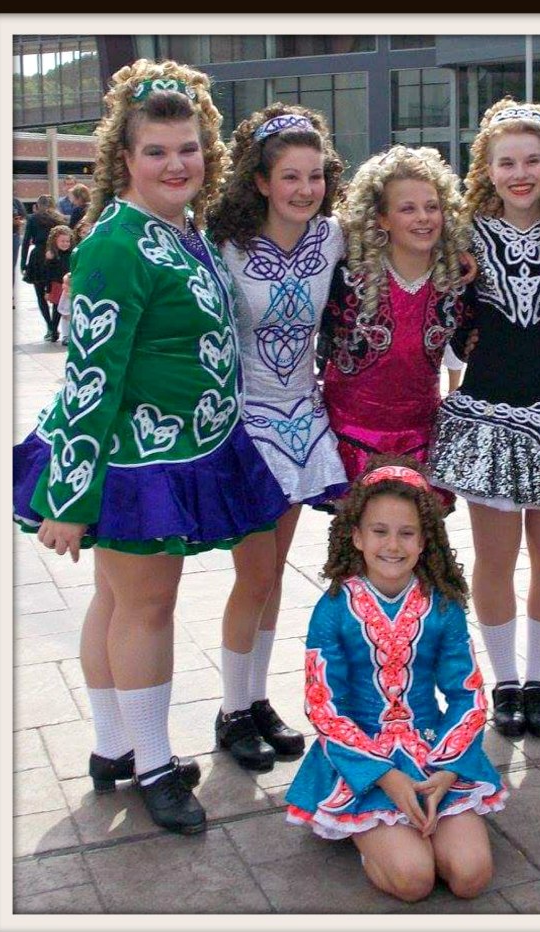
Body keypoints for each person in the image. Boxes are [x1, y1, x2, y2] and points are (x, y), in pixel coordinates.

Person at [12, 59, 291, 836]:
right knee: (146, 607)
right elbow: (89, 377)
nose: (178, 164)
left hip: (176, 450)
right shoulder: (115, 244)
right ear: (125, 160)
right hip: (132, 462)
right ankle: (155, 764)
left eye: (189, 149)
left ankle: (113, 750)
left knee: (119, 601)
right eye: (158, 152)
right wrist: (67, 499)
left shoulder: (178, 228)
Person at [284, 457, 505, 903]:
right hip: (361, 761)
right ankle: (366, 832)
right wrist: (385, 776)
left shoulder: (442, 607)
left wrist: (444, 772)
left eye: (407, 533)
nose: (393, 545)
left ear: (425, 541)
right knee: (414, 881)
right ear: (357, 536)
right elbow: (324, 706)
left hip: (434, 754)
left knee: (471, 877)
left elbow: (467, 694)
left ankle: (416, 830)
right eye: (380, 531)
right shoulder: (332, 608)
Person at [429, 98, 540, 740]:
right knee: (494, 559)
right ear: (485, 168)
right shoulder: (460, 235)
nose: (520, 173)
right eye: (506, 162)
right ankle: (505, 681)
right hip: (488, 413)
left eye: (532, 160)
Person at [205, 104, 349, 771]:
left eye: (314, 175)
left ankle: (255, 699)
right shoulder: (222, 245)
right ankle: (232, 710)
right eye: (289, 176)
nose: (304, 189)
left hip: (304, 424)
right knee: (252, 576)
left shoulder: (334, 238)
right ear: (259, 181)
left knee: (272, 579)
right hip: (246, 427)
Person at [317, 145, 471, 496]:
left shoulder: (457, 278)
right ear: (382, 218)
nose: (423, 218)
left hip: (421, 439)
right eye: (407, 209)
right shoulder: (345, 275)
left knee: (419, 543)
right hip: (351, 434)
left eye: (432, 207)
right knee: (356, 542)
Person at [20, 194, 65, 339]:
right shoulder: (59, 219)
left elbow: (26, 241)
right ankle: (54, 326)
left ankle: (50, 328)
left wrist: (22, 262)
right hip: (55, 256)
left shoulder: (33, 219)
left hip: (38, 258)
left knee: (40, 295)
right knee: (57, 294)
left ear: (38, 205)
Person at [41, 223, 74, 343]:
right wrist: (47, 290)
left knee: (68, 310)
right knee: (56, 310)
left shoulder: (72, 254)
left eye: (67, 241)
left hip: (69, 285)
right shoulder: (52, 256)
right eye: (62, 241)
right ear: (55, 241)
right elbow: (48, 275)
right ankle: (54, 331)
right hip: (56, 285)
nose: (65, 244)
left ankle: (68, 334)